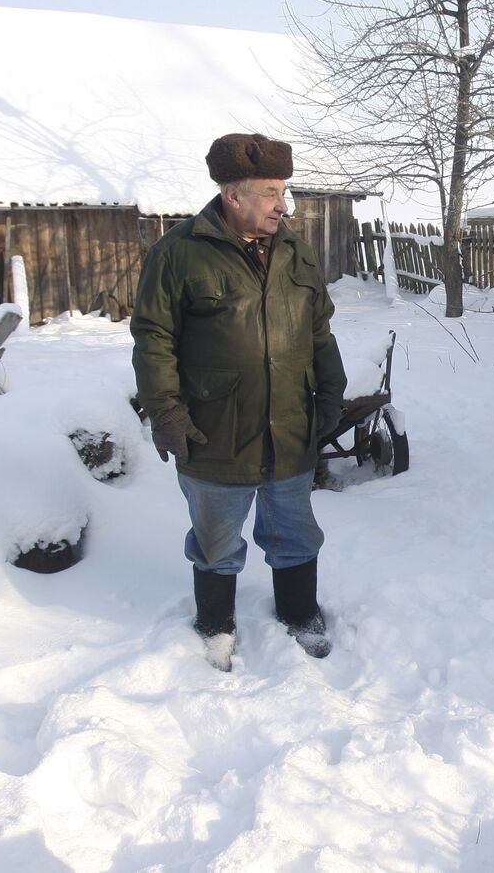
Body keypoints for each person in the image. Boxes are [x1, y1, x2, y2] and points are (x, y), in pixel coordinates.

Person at [131, 133, 347, 670]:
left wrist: (331, 391)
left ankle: (299, 614)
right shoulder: (178, 253)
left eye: (284, 190)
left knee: (294, 530)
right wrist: (166, 411)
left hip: (288, 423)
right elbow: (153, 337)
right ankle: (215, 625)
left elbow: (319, 327)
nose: (283, 203)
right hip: (214, 427)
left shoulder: (295, 250)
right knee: (215, 538)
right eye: (272, 192)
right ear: (233, 194)